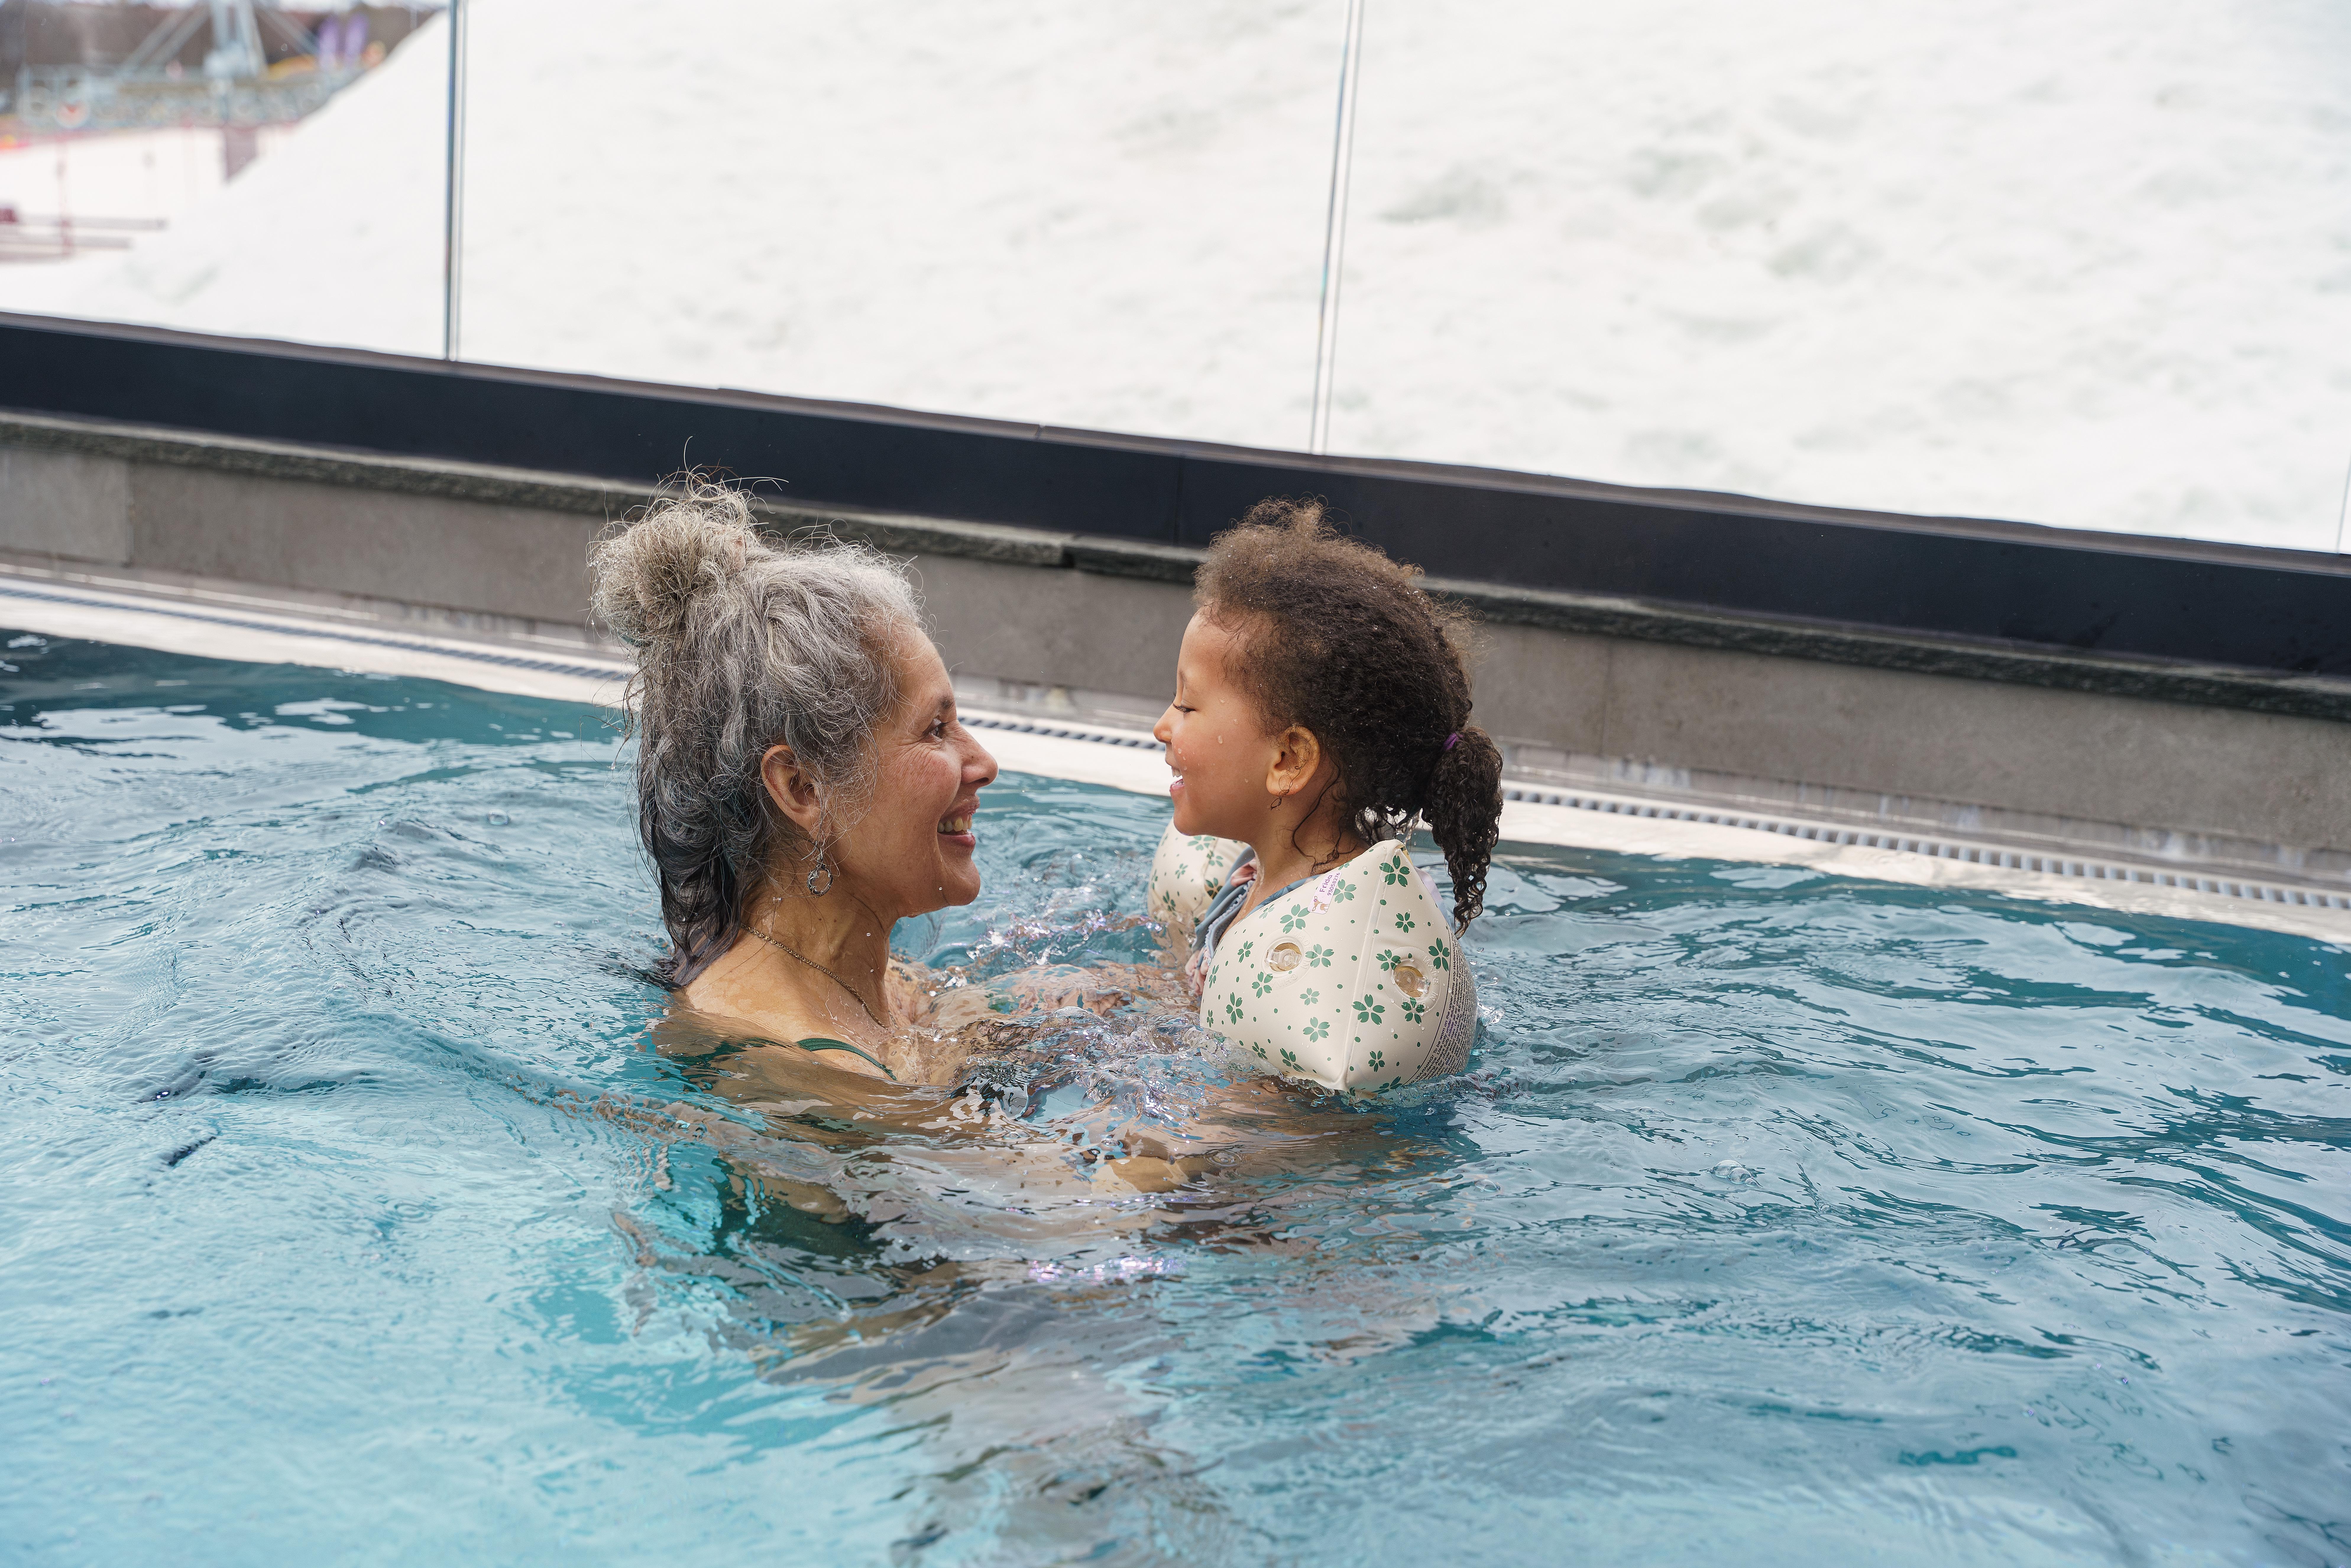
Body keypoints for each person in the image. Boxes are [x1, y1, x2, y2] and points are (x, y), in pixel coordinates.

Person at [590, 479, 998, 1086]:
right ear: (803, 789)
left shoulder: (874, 981)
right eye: (935, 730)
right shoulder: (801, 1076)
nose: (984, 762)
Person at [1151, 497, 1505, 1090]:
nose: (1164, 725)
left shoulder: (1336, 964)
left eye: (1187, 705)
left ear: (1288, 761)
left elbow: (1292, 1135)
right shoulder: (1254, 873)